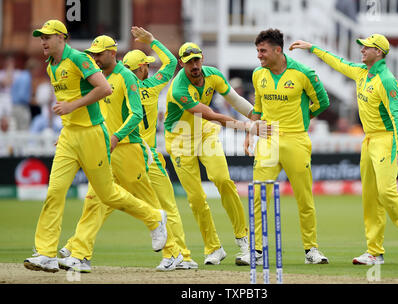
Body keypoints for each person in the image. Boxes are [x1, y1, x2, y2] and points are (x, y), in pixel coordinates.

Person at [24, 20, 168, 273]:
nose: (42, 41)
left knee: (106, 194)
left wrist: (72, 107)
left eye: (47, 36)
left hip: (93, 134)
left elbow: (104, 88)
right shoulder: (51, 67)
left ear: (61, 38)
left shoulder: (80, 59)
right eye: (40, 37)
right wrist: (67, 123)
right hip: (70, 135)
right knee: (54, 192)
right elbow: (67, 101)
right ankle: (45, 253)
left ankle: (154, 217)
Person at [290, 33, 398, 264]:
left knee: (386, 192)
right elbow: (338, 62)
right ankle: (374, 252)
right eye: (362, 47)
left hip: (387, 140)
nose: (362, 50)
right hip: (369, 141)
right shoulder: (361, 72)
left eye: (367, 47)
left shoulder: (386, 79)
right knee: (371, 197)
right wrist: (313, 48)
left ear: (379, 52)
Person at [57, 33, 183, 273]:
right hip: (104, 149)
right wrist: (69, 132)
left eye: (99, 54)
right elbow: (93, 113)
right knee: (94, 200)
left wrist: (116, 136)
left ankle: (174, 252)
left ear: (112, 53)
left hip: (129, 149)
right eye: (92, 53)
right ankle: (80, 254)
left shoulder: (127, 77)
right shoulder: (96, 79)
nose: (94, 57)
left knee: (147, 202)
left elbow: (136, 114)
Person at [164, 41, 268, 265]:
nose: (194, 65)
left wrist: (256, 117)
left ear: (202, 59)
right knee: (196, 198)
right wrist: (247, 127)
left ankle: (244, 240)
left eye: (197, 59)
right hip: (179, 140)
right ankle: (214, 248)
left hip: (205, 134)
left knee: (223, 180)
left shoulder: (213, 75)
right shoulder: (179, 88)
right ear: (181, 63)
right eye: (189, 61)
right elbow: (210, 114)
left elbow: (236, 101)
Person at [239, 28, 330, 266]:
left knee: (304, 197)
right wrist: (251, 131)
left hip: (296, 140)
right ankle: (256, 251)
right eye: (257, 51)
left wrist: (304, 118)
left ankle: (311, 250)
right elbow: (257, 106)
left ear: (278, 50)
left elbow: (322, 102)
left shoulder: (303, 73)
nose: (259, 55)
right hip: (267, 140)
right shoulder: (259, 74)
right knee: (258, 195)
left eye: (263, 51)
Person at [122, 27, 197, 269]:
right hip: (148, 154)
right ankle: (182, 255)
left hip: (126, 152)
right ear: (141, 68)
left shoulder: (118, 89)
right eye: (145, 65)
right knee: (166, 206)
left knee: (106, 198)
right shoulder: (152, 86)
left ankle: (77, 248)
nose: (148, 67)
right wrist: (152, 41)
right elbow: (172, 61)